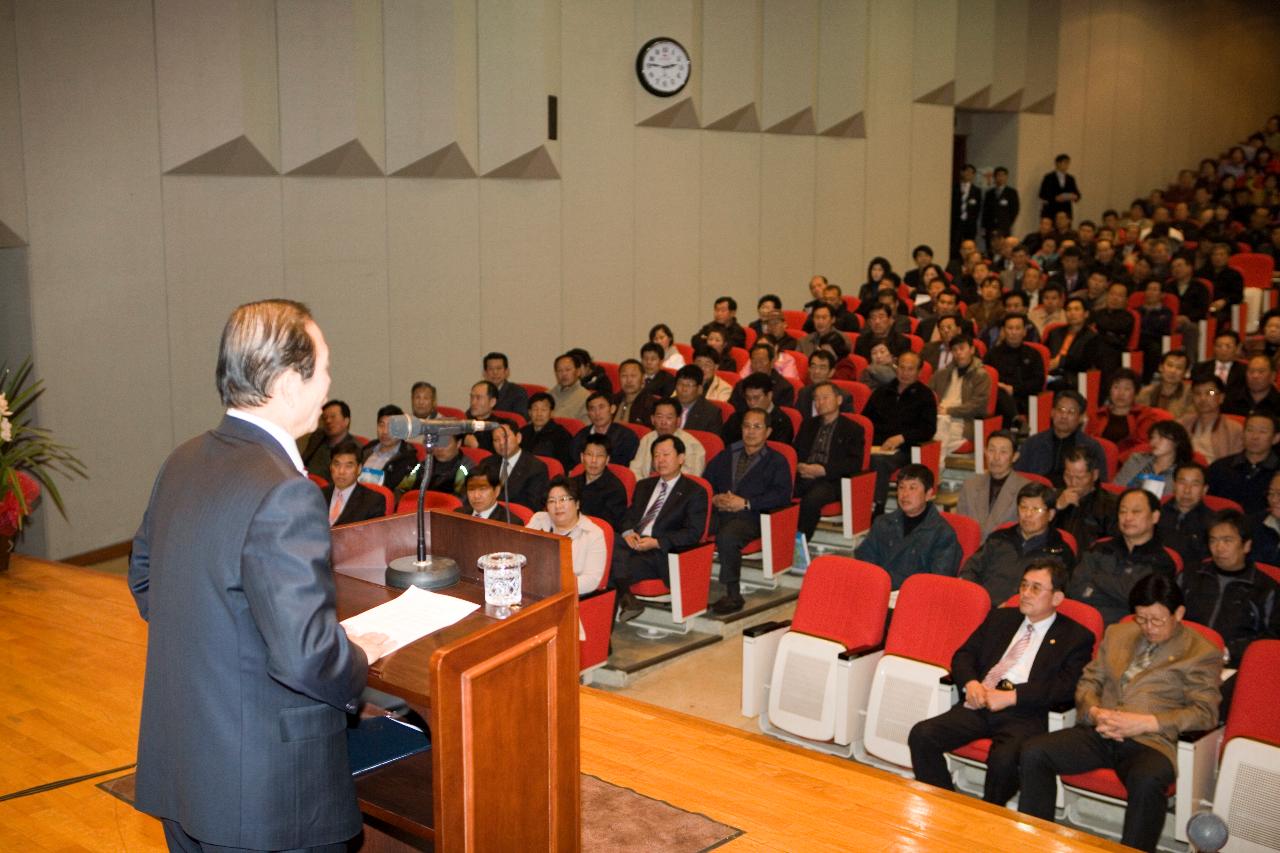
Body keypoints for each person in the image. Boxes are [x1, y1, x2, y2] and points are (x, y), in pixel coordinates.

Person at [129, 299, 384, 852]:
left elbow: (146, 580)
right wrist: (360, 659)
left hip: (185, 765)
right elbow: (304, 655)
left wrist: (225, 653)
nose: (329, 384)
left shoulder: (183, 459)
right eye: (325, 368)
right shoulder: (286, 490)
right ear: (290, 383)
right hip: (266, 795)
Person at [1019, 575, 1221, 853]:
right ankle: (1034, 842)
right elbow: (1089, 682)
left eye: (1157, 620)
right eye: (1141, 619)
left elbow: (1204, 712)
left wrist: (1146, 723)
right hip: (1100, 731)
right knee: (1034, 752)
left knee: (1147, 780)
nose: (1148, 627)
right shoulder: (1118, 634)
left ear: (1179, 613)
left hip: (1151, 742)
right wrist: (1095, 711)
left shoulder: (1202, 652)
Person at [909, 559, 1094, 805]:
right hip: (981, 701)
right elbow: (964, 655)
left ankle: (990, 815)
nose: (1025, 594)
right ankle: (945, 804)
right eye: (1024, 585)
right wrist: (971, 683)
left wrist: (1012, 696)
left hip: (1024, 714)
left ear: (1057, 598)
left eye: (1036, 588)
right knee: (922, 735)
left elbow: (1066, 686)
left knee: (1004, 761)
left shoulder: (1076, 636)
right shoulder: (1001, 618)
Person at [1179, 508, 1279, 716]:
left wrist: (1228, 652)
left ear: (1247, 545)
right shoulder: (1191, 576)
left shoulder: (1266, 588)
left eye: (1227, 540)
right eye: (1214, 540)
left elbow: (1271, 638)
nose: (1219, 548)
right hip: (1182, 657)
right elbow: (1168, 616)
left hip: (1234, 666)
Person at [703, 408, 794, 614]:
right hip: (722, 511)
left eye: (757, 427)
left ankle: (732, 595)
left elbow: (781, 496)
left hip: (754, 516)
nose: (750, 432)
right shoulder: (728, 453)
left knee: (728, 536)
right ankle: (686, 589)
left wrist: (746, 503)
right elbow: (706, 481)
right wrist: (715, 497)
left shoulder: (777, 460)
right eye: (746, 426)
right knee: (691, 526)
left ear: (768, 432)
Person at [614, 435, 709, 622]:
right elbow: (628, 516)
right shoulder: (643, 486)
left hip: (660, 554)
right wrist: (628, 533)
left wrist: (657, 543)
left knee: (615, 566)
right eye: (656, 455)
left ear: (681, 458)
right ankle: (626, 598)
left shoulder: (695, 492)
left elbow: (693, 533)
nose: (660, 460)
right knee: (608, 544)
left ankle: (624, 599)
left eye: (666, 454)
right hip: (632, 545)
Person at [1069, 488, 1179, 625]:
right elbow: (1075, 590)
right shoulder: (1100, 548)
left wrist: (1096, 577)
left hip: (1128, 630)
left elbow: (1138, 600)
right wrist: (1118, 593)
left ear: (1155, 516)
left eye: (1136, 512)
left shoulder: (1162, 561)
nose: (1128, 517)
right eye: (1123, 511)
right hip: (1082, 623)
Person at [960, 482, 1074, 605]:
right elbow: (970, 570)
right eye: (1023, 507)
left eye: (1036, 509)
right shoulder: (999, 539)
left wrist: (1014, 606)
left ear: (1050, 515)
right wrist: (977, 600)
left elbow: (1057, 598)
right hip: (983, 606)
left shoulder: (1059, 553)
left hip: (1025, 616)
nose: (1028, 515)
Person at [854, 464, 962, 589]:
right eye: (901, 487)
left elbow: (937, 583)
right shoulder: (882, 523)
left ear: (928, 494)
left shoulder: (943, 534)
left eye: (912, 488)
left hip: (915, 600)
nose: (905, 494)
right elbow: (864, 560)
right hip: (877, 591)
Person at [862, 351, 937, 514]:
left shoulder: (925, 396)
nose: (905, 373)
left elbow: (928, 429)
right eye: (902, 368)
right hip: (877, 446)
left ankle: (877, 510)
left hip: (906, 449)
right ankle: (854, 510)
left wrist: (902, 438)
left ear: (918, 372)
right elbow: (865, 421)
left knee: (878, 462)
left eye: (910, 369)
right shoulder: (882, 391)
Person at [793, 382, 864, 541]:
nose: (820, 403)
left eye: (825, 398)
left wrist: (823, 470)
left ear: (839, 400)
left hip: (831, 480)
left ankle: (799, 545)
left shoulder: (853, 429)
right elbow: (795, 452)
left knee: (812, 500)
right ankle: (776, 543)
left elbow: (854, 464)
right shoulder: (808, 424)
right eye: (816, 399)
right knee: (776, 493)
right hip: (803, 475)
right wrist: (799, 466)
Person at [525, 476, 607, 595]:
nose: (558, 506)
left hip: (569, 596)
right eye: (552, 501)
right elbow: (521, 554)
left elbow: (591, 580)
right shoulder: (539, 520)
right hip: (532, 589)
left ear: (577, 504)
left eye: (563, 499)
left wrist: (554, 586)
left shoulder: (593, 534)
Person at [1014, 389, 1108, 486]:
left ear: (1081, 418)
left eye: (1071, 412)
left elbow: (1100, 485)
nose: (1064, 416)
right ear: (1052, 413)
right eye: (1060, 410)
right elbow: (1017, 478)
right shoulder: (1033, 443)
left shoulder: (1091, 447)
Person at [955, 430, 1032, 539]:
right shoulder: (970, 485)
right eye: (991, 450)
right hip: (973, 551)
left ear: (1015, 456)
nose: (996, 457)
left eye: (1003, 452)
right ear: (985, 452)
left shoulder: (1026, 489)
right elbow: (961, 528)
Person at [929, 333, 991, 456]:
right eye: (955, 350)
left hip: (962, 421)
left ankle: (934, 469)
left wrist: (949, 411)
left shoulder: (981, 375)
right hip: (938, 417)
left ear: (972, 350)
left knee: (937, 437)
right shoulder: (941, 374)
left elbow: (978, 405)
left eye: (962, 348)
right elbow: (928, 395)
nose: (958, 353)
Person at [1206, 412, 1280, 515]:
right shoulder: (1220, 467)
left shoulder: (1277, 471)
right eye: (1250, 430)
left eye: (1262, 432)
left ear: (1276, 438)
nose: (1255, 437)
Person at [470, 423, 549, 512]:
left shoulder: (536, 468)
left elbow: (532, 506)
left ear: (518, 438)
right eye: (496, 440)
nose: (501, 443)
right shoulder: (487, 463)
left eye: (505, 437)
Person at [1052, 447, 1117, 551]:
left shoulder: (1111, 505)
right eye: (1068, 476)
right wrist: (1057, 508)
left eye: (1079, 478)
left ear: (1094, 475)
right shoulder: (1054, 497)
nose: (1072, 483)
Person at [986, 313, 1045, 426]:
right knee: (999, 393)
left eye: (1018, 328)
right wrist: (1001, 386)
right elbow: (985, 378)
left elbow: (1038, 381)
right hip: (998, 399)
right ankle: (1016, 420)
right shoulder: (992, 354)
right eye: (1010, 328)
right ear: (1003, 331)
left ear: (1024, 331)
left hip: (1026, 398)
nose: (1014, 332)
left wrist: (1014, 389)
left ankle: (1017, 422)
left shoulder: (1034, 354)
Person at [1086, 369, 1161, 455]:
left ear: (1135, 392)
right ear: (1109, 390)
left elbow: (1144, 445)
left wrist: (1118, 460)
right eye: (1116, 387)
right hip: (1100, 460)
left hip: (1131, 463)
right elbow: (1088, 442)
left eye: (1127, 388)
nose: (1121, 393)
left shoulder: (1145, 415)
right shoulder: (1098, 415)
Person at [1113, 420, 1193, 498]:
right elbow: (1115, 489)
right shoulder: (1137, 460)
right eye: (1152, 438)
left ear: (1177, 441)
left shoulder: (1184, 471)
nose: (1154, 442)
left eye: (1161, 438)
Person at [630, 397, 707, 477]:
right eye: (659, 417)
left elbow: (692, 476)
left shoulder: (692, 445)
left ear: (678, 421)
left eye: (669, 418)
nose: (663, 422)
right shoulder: (647, 439)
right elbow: (635, 468)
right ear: (652, 419)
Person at [1158, 461, 1213, 570]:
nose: (1187, 491)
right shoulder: (1155, 514)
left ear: (1204, 490)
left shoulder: (1213, 523)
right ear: (1174, 485)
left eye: (1195, 484)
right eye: (1182, 483)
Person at [1181, 376, 1244, 464]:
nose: (1202, 398)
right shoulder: (1183, 423)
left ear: (1221, 398)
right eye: (1197, 393)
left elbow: (1235, 465)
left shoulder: (1234, 430)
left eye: (1210, 393)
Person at [323, 440, 388, 526]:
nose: (341, 471)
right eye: (337, 464)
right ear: (331, 466)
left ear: (359, 469)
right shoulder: (318, 494)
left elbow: (373, 536)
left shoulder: (373, 501)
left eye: (348, 466)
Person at [571, 434, 628, 533]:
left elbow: (607, 526)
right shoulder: (572, 483)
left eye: (600, 456)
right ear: (582, 457)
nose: (594, 461)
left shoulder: (615, 489)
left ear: (607, 460)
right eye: (589, 454)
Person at [357, 404, 419, 494]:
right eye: (381, 425)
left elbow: (400, 494)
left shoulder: (410, 462)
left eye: (391, 427)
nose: (385, 431)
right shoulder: (367, 450)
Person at [721, 372, 794, 446]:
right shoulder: (737, 417)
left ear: (769, 395)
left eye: (756, 398)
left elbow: (780, 451)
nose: (752, 403)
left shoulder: (782, 423)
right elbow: (724, 444)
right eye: (748, 398)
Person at [571, 391, 640, 466]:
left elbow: (623, 467)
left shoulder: (626, 437)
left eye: (601, 407)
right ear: (588, 414)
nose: (597, 413)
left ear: (612, 409)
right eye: (592, 409)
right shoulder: (581, 436)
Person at [1044, 296, 1099, 388]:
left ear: (1086, 314)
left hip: (1073, 377)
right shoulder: (1055, 332)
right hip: (1050, 373)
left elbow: (1086, 363)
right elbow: (1045, 353)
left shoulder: (1092, 337)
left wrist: (1061, 361)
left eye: (1076, 309)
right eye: (1068, 310)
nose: (1072, 313)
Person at [520, 391, 575, 472]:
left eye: (544, 409)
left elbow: (564, 466)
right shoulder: (522, 432)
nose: (539, 414)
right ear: (529, 412)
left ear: (551, 412)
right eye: (535, 409)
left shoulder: (562, 435)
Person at [298, 398, 353, 478]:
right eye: (325, 418)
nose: (328, 421)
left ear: (346, 421)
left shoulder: (353, 448)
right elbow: (303, 463)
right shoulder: (317, 438)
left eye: (333, 417)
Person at [1136, 349, 1192, 419]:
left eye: (1179, 367)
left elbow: (1210, 391)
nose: (1173, 371)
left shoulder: (1191, 393)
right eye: (1169, 365)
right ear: (1161, 367)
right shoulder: (1145, 393)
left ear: (1185, 373)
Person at [1222, 354, 1280, 421]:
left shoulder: (1277, 403)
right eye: (1251, 371)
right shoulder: (1230, 399)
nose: (1255, 376)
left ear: (1273, 376)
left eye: (1261, 372)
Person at [673, 364, 725, 435]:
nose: (684, 389)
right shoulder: (665, 406)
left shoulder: (711, 413)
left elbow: (712, 442)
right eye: (680, 384)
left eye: (689, 385)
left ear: (700, 389)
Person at [982, 165, 1020, 252]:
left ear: (1006, 177)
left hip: (1004, 226)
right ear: (995, 177)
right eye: (998, 175)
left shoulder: (1011, 192)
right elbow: (985, 210)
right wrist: (984, 226)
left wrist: (1008, 222)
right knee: (990, 247)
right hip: (990, 226)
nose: (1000, 178)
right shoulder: (989, 193)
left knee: (1004, 247)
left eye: (1003, 175)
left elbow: (1015, 210)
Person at [483, 351, 529, 418]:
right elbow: (470, 414)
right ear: (485, 373)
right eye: (491, 369)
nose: (495, 372)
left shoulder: (518, 392)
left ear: (507, 372)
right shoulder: (481, 391)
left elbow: (521, 419)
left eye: (499, 368)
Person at [549, 352, 591, 422]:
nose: (564, 374)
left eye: (568, 370)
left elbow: (584, 428)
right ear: (556, 374)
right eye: (560, 370)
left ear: (578, 372)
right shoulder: (547, 395)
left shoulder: (586, 397)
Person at [613, 358, 656, 427]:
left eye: (633, 376)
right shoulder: (612, 401)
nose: (629, 380)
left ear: (643, 378)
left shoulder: (650, 405)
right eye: (624, 376)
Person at [1038, 154, 1081, 220]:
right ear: (1057, 163)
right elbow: (1042, 194)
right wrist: (1055, 198)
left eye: (1068, 163)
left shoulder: (1070, 178)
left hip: (1066, 211)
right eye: (1064, 162)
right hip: (1051, 210)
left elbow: (1077, 194)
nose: (1067, 165)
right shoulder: (1049, 177)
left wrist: (1074, 197)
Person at [951, 163, 982, 253]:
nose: (969, 174)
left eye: (971, 173)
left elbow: (978, 208)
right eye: (966, 172)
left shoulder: (976, 191)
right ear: (962, 173)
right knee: (955, 244)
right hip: (956, 222)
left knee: (970, 244)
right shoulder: (954, 188)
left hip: (970, 224)